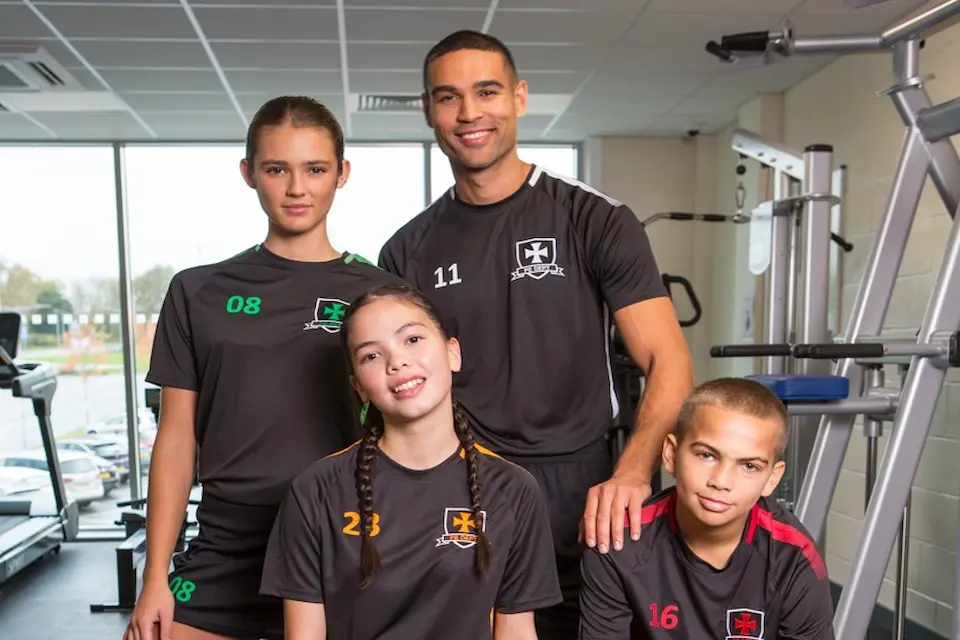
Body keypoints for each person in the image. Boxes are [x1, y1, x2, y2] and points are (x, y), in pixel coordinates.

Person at [376, 29, 694, 638]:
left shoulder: (593, 217)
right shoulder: (408, 249)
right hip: (462, 485)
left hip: (581, 491)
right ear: (428, 111)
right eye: (448, 97)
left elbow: (669, 360)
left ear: (519, 97)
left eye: (487, 91)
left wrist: (631, 472)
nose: (469, 113)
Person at [125, 96, 404, 640]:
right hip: (226, 543)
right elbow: (177, 439)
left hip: (344, 539)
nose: (296, 188)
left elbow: (412, 429)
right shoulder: (197, 291)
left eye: (315, 169)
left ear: (342, 175)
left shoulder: (381, 294)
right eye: (277, 169)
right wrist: (155, 574)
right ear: (249, 173)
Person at [259, 282, 564, 639]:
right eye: (371, 355)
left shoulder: (513, 490)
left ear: (453, 352)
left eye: (413, 340)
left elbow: (516, 632)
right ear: (358, 386)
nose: (398, 361)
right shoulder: (316, 490)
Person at [579, 377, 835, 639]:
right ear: (671, 454)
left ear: (772, 478)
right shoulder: (617, 543)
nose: (721, 481)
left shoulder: (794, 557)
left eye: (749, 466)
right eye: (706, 455)